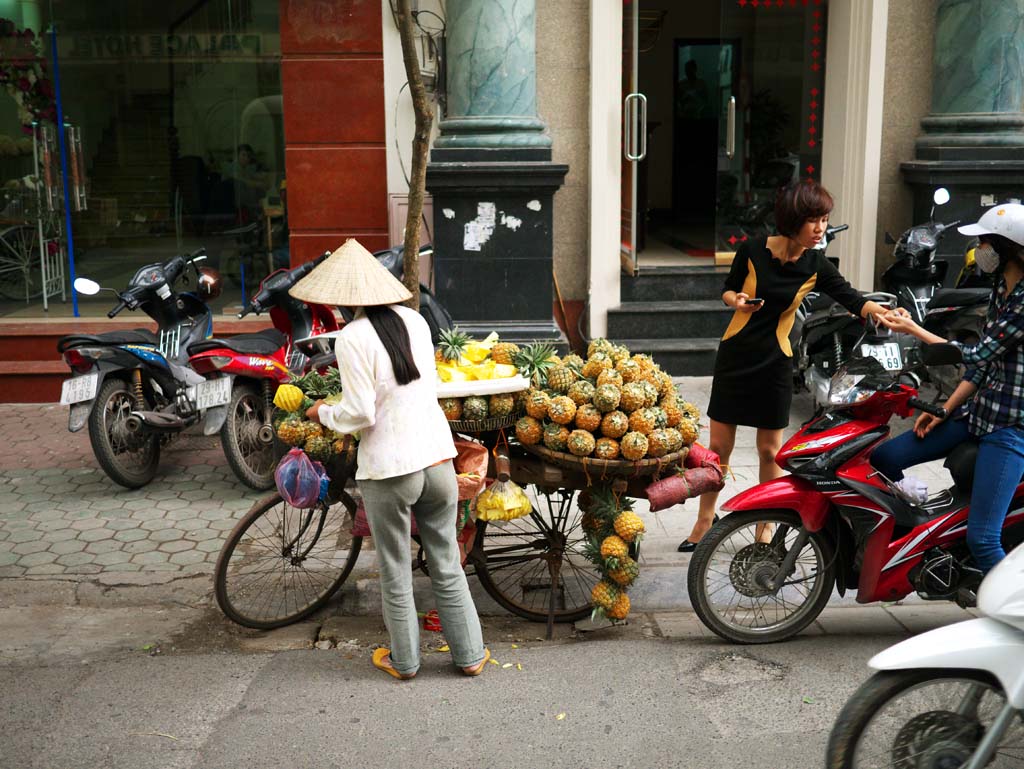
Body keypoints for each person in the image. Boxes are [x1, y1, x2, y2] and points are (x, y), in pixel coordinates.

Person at [293, 239, 489, 679]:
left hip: (389, 469)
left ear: (344, 299)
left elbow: (360, 411)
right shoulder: (416, 321)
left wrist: (322, 411)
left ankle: (405, 662)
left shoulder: (351, 338)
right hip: (438, 460)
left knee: (396, 570)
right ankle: (471, 655)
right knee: (445, 562)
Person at [679, 180, 899, 552]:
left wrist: (883, 312)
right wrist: (739, 300)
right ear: (793, 219)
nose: (821, 229)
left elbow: (850, 296)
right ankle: (705, 518)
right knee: (719, 447)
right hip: (736, 356)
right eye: (814, 220)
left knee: (769, 451)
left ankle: (765, 526)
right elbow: (728, 290)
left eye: (825, 220)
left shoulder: (816, 265)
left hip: (775, 362)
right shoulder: (751, 250)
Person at [873, 203, 1024, 575]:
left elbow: (978, 351)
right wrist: (944, 410)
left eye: (986, 243)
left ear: (1008, 249)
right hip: (978, 413)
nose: (980, 252)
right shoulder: (1000, 290)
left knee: (984, 540)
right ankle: (922, 548)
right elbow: (980, 366)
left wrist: (912, 330)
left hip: (1010, 431)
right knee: (884, 459)